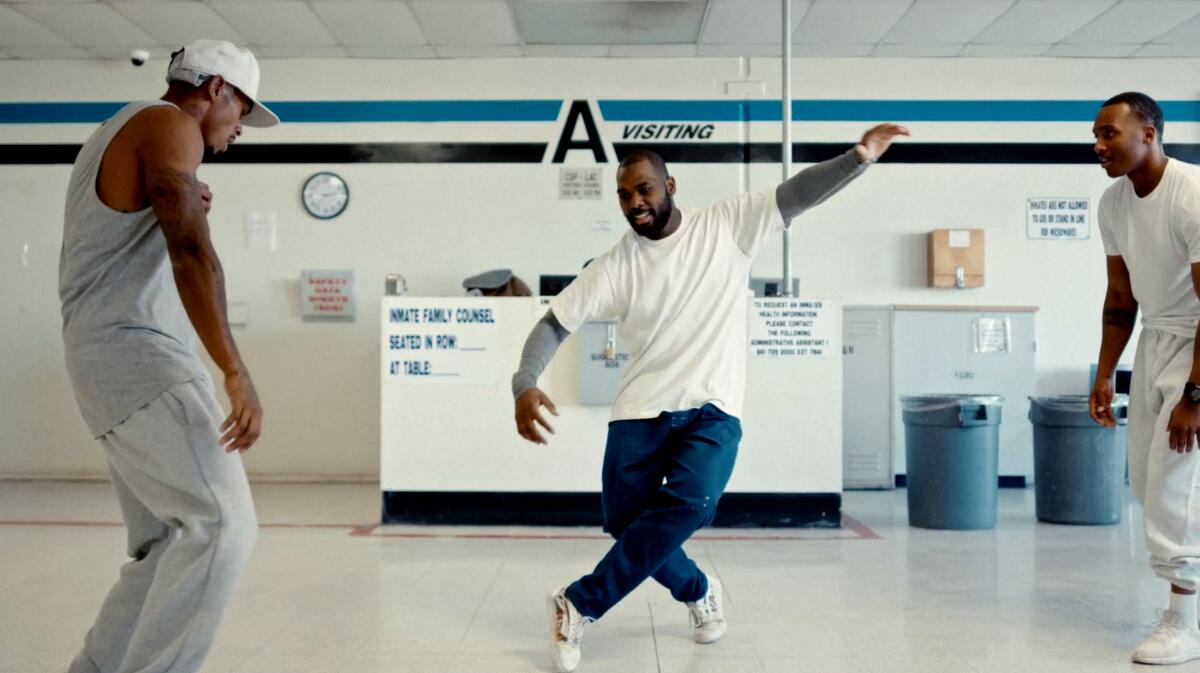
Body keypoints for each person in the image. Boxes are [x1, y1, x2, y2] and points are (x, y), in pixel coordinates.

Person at [511, 124, 909, 673]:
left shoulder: (726, 224)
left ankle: (578, 603)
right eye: (625, 195)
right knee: (628, 523)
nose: (635, 203)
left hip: (713, 406)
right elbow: (553, 324)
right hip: (639, 409)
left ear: (671, 185)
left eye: (645, 189)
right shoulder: (615, 265)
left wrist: (857, 159)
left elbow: (797, 194)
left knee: (694, 501)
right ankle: (698, 590)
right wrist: (525, 382)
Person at [59, 39, 277, 673]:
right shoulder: (168, 122)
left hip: (101, 363)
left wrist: (179, 196)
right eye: (242, 113)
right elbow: (192, 253)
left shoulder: (122, 130)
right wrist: (236, 370)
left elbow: (148, 231)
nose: (239, 131)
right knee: (222, 527)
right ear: (214, 90)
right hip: (137, 358)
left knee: (164, 541)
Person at [1088, 91, 1200, 666]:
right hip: (1155, 341)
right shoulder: (1112, 204)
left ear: (1149, 134)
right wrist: (1106, 372)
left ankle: (1184, 623)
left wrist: (1194, 396)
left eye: (1110, 133)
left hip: (1198, 345)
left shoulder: (1192, 195)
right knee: (1146, 480)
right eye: (1096, 135)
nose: (1099, 145)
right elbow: (1119, 296)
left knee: (1173, 486)